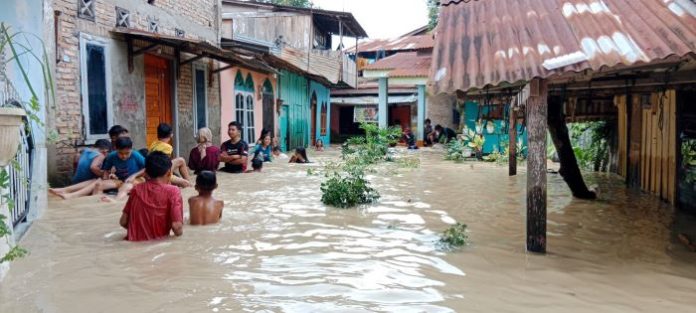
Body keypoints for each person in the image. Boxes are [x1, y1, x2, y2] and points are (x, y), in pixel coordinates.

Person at [119, 152, 183, 241]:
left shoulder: (136, 189)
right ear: (169, 173)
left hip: (131, 243)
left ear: (145, 173)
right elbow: (177, 227)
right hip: (158, 247)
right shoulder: (173, 191)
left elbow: (123, 222)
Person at [100, 137, 147, 202]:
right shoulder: (111, 156)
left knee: (126, 186)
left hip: (137, 179)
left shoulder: (136, 155)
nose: (124, 156)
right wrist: (106, 179)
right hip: (120, 180)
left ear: (131, 149)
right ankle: (97, 203)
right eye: (121, 153)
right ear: (116, 149)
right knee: (99, 185)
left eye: (127, 153)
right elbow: (106, 170)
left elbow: (148, 167)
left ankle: (115, 200)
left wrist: (134, 176)